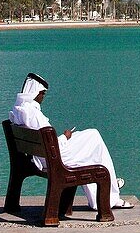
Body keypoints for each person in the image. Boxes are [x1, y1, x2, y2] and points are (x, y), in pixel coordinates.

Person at [9, 72, 133, 210]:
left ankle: (108, 188)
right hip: (53, 158)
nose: (43, 96)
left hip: (40, 156)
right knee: (94, 138)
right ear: (34, 92)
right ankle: (109, 190)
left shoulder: (19, 110)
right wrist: (65, 137)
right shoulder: (33, 114)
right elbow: (51, 144)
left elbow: (45, 140)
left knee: (89, 140)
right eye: (42, 93)